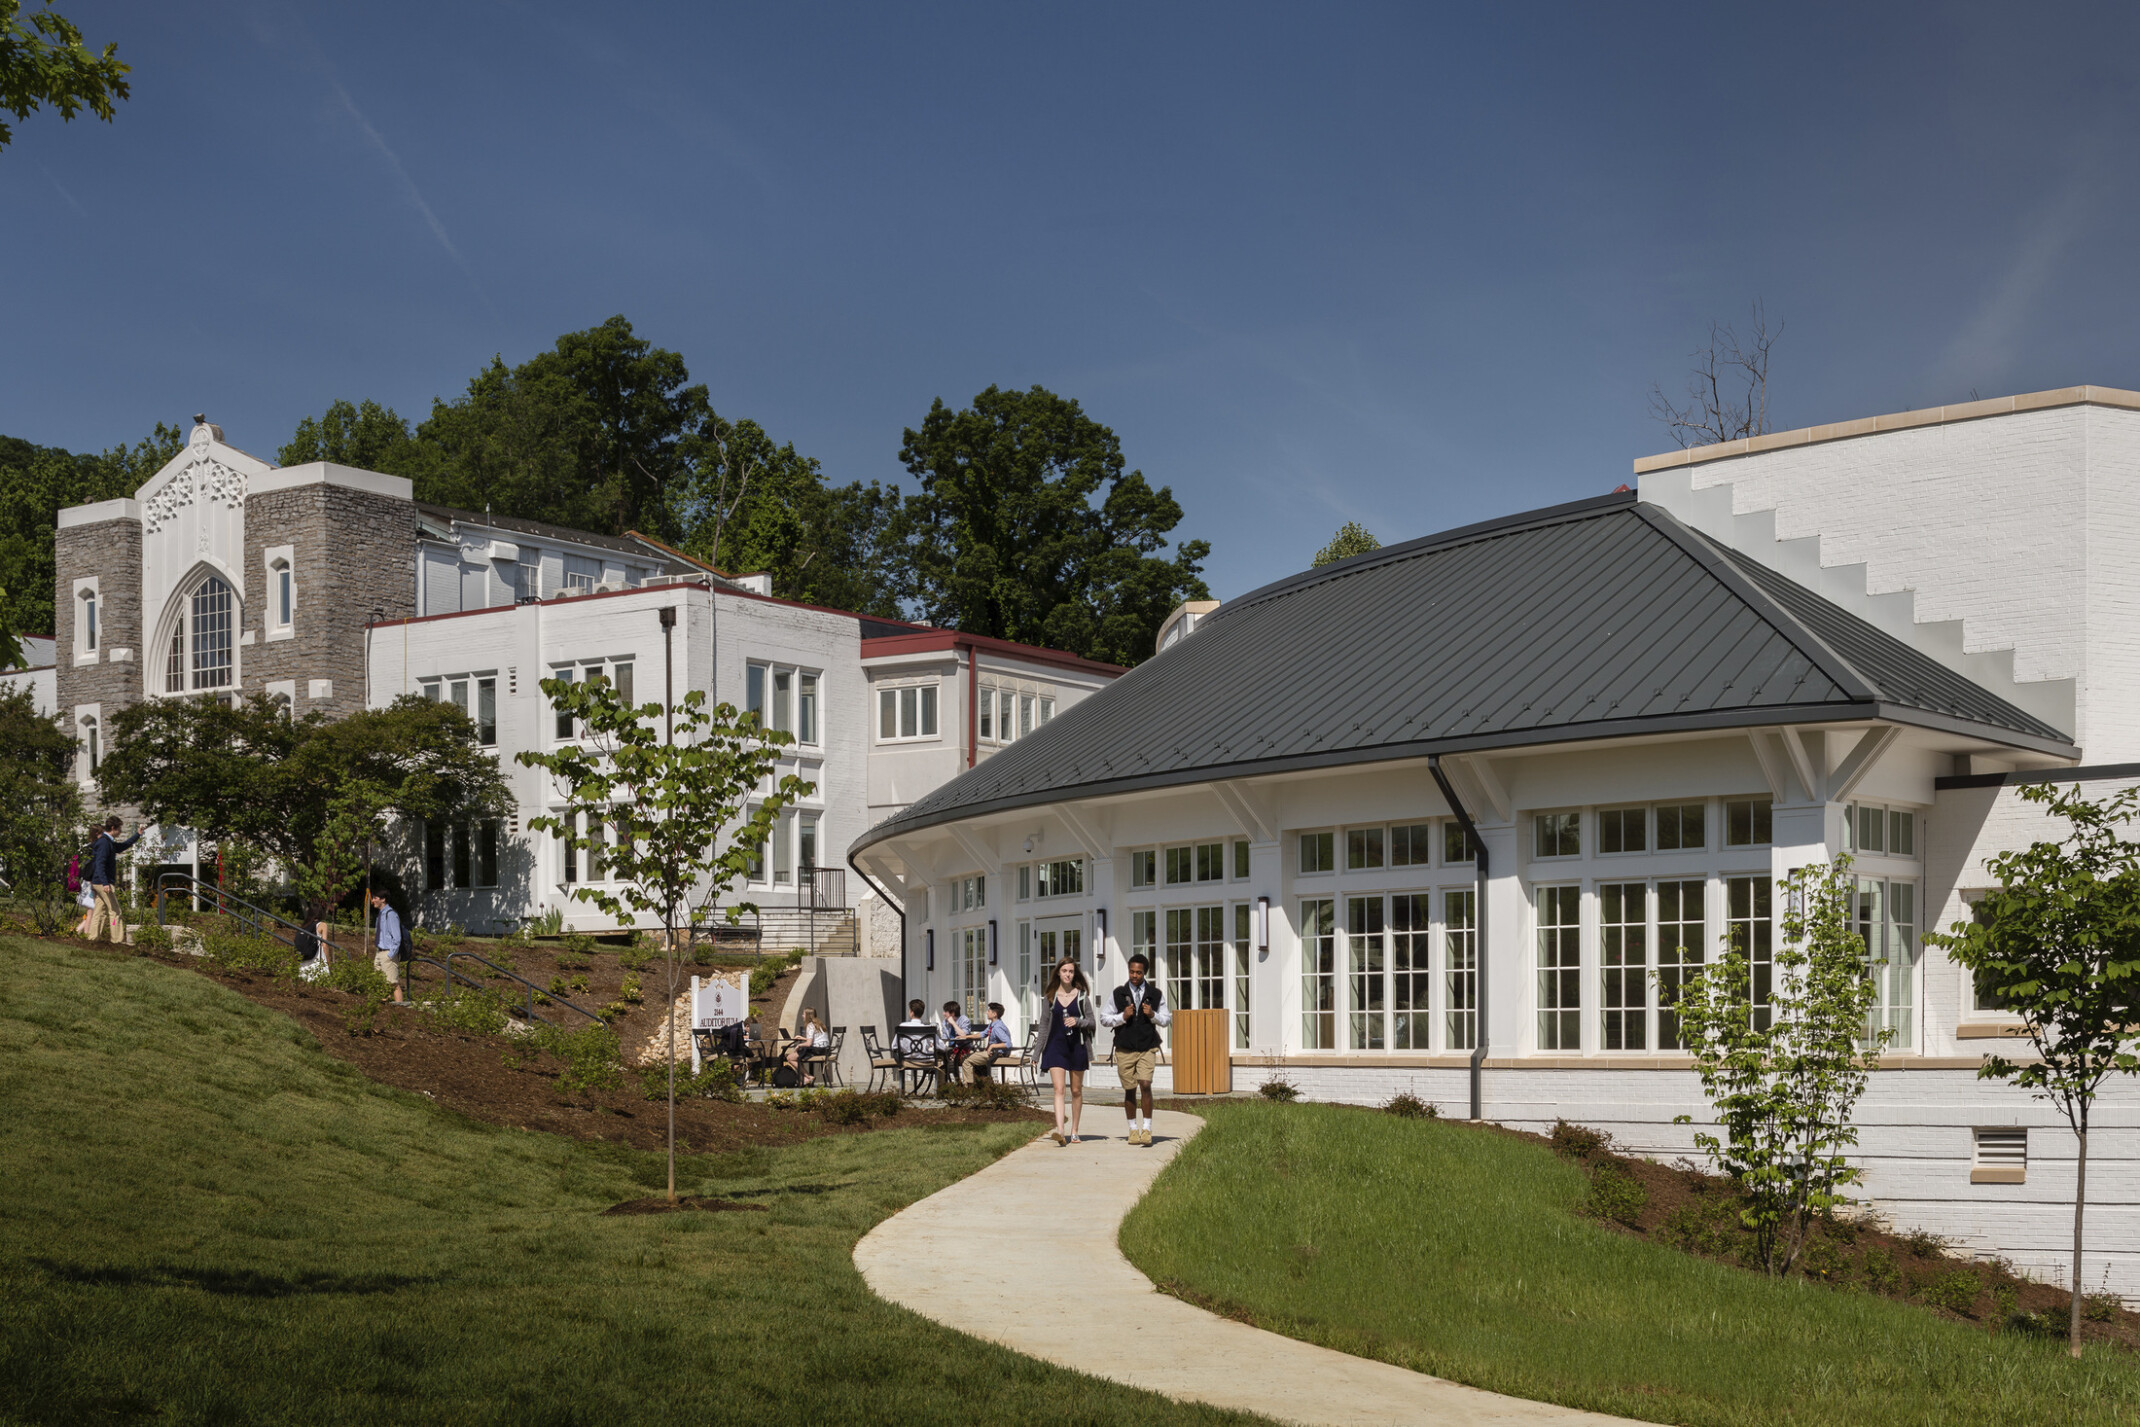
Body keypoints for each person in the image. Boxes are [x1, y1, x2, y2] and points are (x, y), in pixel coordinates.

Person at [1100, 954, 1171, 1145]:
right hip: (1125, 1048)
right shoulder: (1118, 993)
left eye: (1138, 972)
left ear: (1144, 973)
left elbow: (1166, 1019)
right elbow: (1104, 1018)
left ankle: (1146, 1129)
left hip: (1147, 1047)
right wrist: (1122, 1016)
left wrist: (1153, 1014)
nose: (1134, 976)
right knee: (1130, 1089)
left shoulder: (1155, 994)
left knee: (1145, 1084)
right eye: (1131, 971)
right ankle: (1133, 1129)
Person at [1037, 958, 1094, 1144]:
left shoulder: (1082, 996)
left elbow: (1092, 1023)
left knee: (1076, 1090)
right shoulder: (1050, 998)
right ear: (1058, 974)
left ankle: (1074, 1131)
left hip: (1077, 1047)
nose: (1067, 974)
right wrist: (1036, 1053)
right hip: (1055, 1048)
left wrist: (1078, 1022)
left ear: (1074, 974)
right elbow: (1044, 1027)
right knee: (1058, 1089)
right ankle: (1060, 1131)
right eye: (1064, 971)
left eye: (1071, 971)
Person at [83, 816, 140, 944]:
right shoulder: (104, 843)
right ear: (113, 828)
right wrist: (105, 883)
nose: (120, 831)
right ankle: (117, 940)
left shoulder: (108, 842)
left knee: (99, 911)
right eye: (119, 829)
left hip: (99, 882)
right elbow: (100, 863)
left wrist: (138, 834)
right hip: (103, 883)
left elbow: (122, 846)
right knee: (115, 912)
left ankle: (92, 939)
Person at [961, 1002, 1015, 1083]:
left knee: (966, 1061)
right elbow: (982, 1034)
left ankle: (969, 1087)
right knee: (966, 1057)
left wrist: (993, 1046)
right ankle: (982, 1085)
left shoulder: (997, 1027)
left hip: (997, 1054)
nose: (986, 1012)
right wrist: (966, 1037)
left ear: (994, 1014)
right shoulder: (993, 1024)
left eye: (989, 1011)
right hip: (993, 1052)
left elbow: (1008, 1044)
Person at [370, 891, 406, 1003]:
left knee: (393, 983)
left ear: (383, 899)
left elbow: (397, 938)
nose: (372, 901)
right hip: (379, 952)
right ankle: (386, 1008)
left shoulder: (391, 914)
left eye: (375, 898)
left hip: (388, 953)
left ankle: (400, 1010)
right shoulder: (380, 915)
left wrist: (390, 954)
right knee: (380, 983)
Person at [783, 1007, 832, 1086]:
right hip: (824, 1049)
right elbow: (816, 1039)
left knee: (790, 1058)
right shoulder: (820, 1024)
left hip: (816, 1050)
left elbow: (809, 1044)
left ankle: (808, 1076)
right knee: (797, 1056)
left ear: (808, 1016)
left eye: (803, 1014)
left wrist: (799, 1045)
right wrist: (803, 1038)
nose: (802, 1016)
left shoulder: (810, 1026)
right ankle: (805, 1079)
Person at [936, 999, 977, 1078]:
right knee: (938, 1058)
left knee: (951, 1058)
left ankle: (957, 1081)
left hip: (964, 1048)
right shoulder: (945, 1022)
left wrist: (953, 1023)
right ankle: (942, 1085)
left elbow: (963, 1035)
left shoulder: (964, 1019)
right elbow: (945, 1038)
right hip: (950, 1049)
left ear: (952, 1013)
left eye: (945, 1012)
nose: (943, 1014)